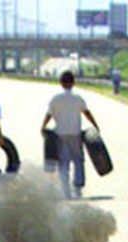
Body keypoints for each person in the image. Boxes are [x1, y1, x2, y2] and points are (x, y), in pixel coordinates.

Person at [40, 69, 100, 199]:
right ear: (73, 83)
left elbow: (49, 114)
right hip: (75, 133)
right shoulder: (78, 98)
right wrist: (95, 125)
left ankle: (65, 189)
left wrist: (43, 126)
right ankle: (78, 187)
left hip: (60, 133)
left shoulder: (56, 98)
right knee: (78, 159)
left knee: (64, 161)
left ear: (61, 83)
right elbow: (86, 112)